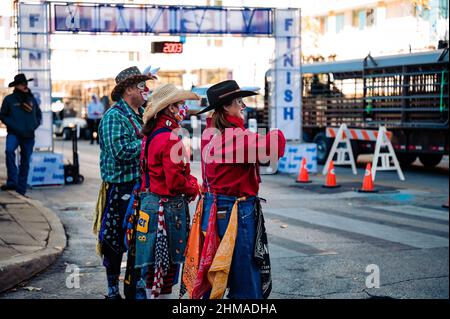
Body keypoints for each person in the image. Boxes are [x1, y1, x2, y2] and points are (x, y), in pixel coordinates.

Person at [192, 80, 286, 299]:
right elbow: (273, 148)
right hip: (234, 209)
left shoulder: (214, 133)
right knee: (245, 280)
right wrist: (277, 132)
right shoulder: (232, 136)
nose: (243, 106)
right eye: (239, 101)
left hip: (217, 206)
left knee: (215, 276)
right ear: (227, 107)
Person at [134, 83, 200, 299]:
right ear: (170, 108)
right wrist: (194, 186)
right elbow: (175, 182)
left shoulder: (151, 136)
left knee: (151, 267)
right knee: (167, 267)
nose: (183, 109)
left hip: (150, 204)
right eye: (180, 104)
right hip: (167, 209)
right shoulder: (171, 138)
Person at [95, 66, 155, 299]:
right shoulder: (114, 117)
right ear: (128, 89)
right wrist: (151, 144)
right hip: (121, 189)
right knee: (114, 242)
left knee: (139, 241)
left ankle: (136, 287)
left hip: (139, 188)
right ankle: (112, 291)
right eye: (141, 86)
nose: (146, 90)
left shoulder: (139, 114)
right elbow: (119, 151)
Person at [0, 73, 42, 196]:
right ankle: (12, 181)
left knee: (25, 162)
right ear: (17, 86)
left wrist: (34, 125)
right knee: (9, 151)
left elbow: (38, 115)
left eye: (26, 83)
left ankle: (21, 188)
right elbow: (2, 115)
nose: (25, 85)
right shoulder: (9, 99)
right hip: (14, 133)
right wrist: (12, 125)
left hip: (29, 136)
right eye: (22, 84)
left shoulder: (31, 99)